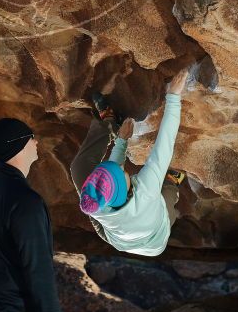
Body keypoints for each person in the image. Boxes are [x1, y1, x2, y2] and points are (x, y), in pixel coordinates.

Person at [69, 68, 188, 257]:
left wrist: (121, 141)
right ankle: (173, 182)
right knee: (167, 194)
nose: (125, 171)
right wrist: (173, 96)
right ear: (127, 192)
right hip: (154, 238)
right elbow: (164, 146)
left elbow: (114, 175)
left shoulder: (91, 201)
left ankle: (108, 123)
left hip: (113, 235)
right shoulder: (146, 193)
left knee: (77, 168)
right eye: (123, 173)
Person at [0, 118, 64, 312]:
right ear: (20, 143)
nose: (37, 142)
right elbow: (38, 270)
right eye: (32, 138)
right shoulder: (25, 200)